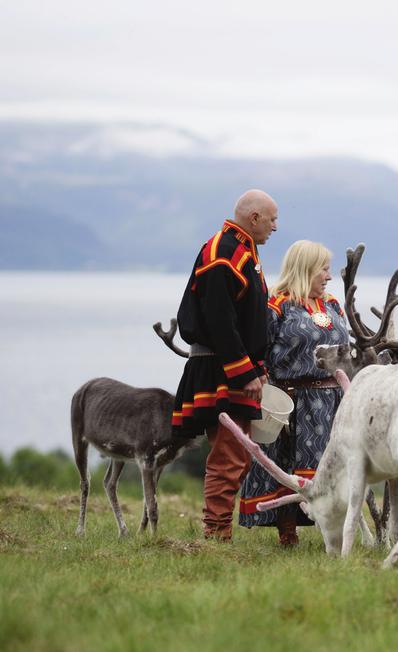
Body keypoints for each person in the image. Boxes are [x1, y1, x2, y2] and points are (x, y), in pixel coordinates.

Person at [171, 189, 278, 541]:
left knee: (237, 453)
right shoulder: (223, 251)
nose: (276, 227)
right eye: (273, 219)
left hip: (233, 366)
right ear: (255, 218)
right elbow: (219, 319)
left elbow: (245, 320)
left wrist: (256, 367)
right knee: (229, 454)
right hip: (222, 368)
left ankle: (217, 531)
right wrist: (244, 371)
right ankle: (216, 534)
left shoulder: (242, 249)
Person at [238, 240, 348, 545]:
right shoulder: (277, 305)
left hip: (333, 401)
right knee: (288, 466)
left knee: (333, 468)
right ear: (306, 268)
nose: (328, 276)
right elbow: (258, 351)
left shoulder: (333, 305)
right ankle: (287, 533)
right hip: (293, 400)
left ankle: (335, 530)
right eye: (323, 269)